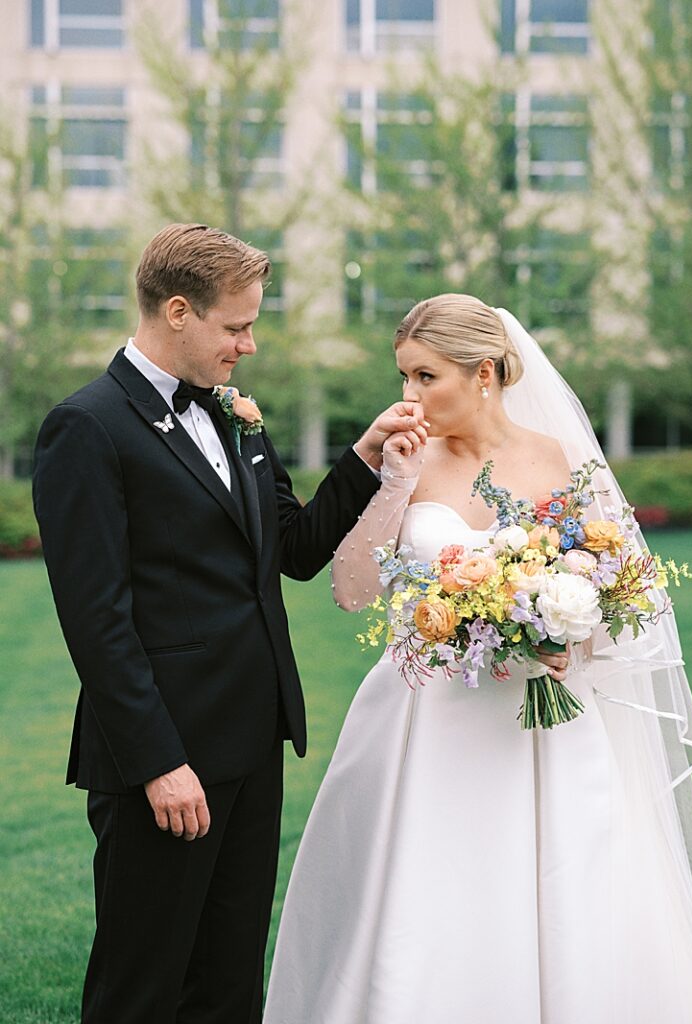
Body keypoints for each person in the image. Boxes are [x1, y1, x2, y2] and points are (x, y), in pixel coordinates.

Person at [264, 294, 692, 1024]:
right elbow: (349, 590)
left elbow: (616, 580)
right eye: (403, 377)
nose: (410, 397)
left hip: (542, 722)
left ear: (485, 374)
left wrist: (571, 635)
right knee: (432, 895)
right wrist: (395, 483)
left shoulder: (554, 457)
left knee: (564, 890)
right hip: (427, 723)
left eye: (425, 377)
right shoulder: (409, 459)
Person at [32, 223, 428, 1024]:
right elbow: (96, 621)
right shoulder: (87, 427)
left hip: (252, 740)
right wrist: (157, 764)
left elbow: (294, 549)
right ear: (178, 311)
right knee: (142, 987)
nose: (249, 345)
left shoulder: (233, 415)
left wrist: (364, 457)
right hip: (165, 759)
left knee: (229, 982)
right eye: (236, 326)